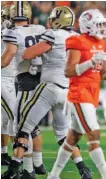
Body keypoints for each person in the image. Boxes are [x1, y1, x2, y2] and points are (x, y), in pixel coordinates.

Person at [2, 6, 92, 179]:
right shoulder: (74, 37)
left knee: (22, 127)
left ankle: (15, 170)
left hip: (46, 86)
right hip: (67, 91)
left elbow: (28, 54)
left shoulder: (51, 34)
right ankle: (83, 168)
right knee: (63, 134)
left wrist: (38, 57)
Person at [48, 9, 106, 179]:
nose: (102, 28)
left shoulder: (101, 43)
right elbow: (69, 71)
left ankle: (53, 175)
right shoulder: (76, 41)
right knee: (93, 132)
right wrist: (89, 62)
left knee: (72, 138)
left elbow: (102, 72)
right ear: (88, 25)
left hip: (92, 94)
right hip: (79, 93)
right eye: (99, 25)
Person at [1, 1, 46, 178]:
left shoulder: (11, 32)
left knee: (19, 124)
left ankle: (27, 167)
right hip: (33, 79)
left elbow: (6, 58)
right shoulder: (39, 29)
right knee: (23, 123)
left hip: (17, 79)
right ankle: (33, 165)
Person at [1, 4, 17, 166]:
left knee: (6, 119)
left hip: (14, 77)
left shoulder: (15, 31)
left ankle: (4, 153)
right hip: (2, 77)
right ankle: (17, 156)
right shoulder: (7, 31)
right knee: (14, 116)